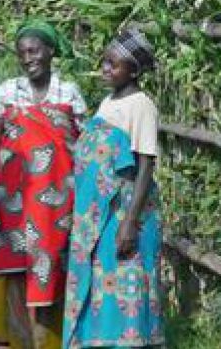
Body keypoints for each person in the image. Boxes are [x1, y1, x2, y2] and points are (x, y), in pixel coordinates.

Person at [0, 20, 85, 349]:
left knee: (52, 266)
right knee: (8, 269)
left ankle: (51, 342)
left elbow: (81, 147)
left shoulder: (69, 92)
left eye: (35, 50)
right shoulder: (6, 92)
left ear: (51, 51)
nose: (29, 59)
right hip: (11, 197)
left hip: (57, 202)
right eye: (22, 53)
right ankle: (9, 339)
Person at [63, 29, 164, 348]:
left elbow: (146, 164)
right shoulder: (109, 102)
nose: (106, 68)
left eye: (114, 64)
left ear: (134, 70)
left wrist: (130, 223)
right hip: (99, 217)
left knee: (125, 289)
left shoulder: (141, 105)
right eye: (105, 62)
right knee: (100, 289)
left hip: (123, 213)